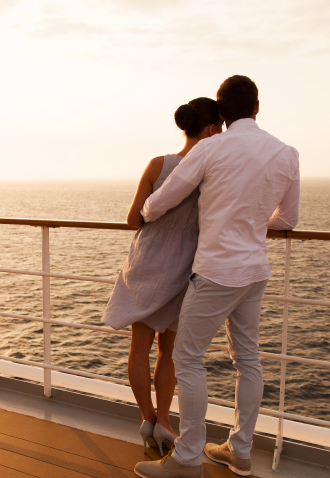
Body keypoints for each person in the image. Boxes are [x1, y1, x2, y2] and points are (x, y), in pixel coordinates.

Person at [134, 75, 300, 478]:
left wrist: (146, 215)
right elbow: (289, 220)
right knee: (249, 360)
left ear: (222, 114)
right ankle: (239, 451)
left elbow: (161, 201)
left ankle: (188, 459)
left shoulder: (213, 147)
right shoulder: (286, 152)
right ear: (257, 108)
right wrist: (253, 221)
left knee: (188, 360)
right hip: (254, 272)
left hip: (215, 274)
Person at [102, 98, 223, 457]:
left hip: (146, 261)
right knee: (169, 350)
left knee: (139, 346)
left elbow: (132, 219)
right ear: (213, 129)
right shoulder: (212, 172)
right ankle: (166, 422)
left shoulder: (159, 164)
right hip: (185, 266)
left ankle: (148, 419)